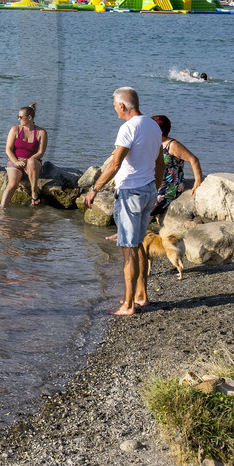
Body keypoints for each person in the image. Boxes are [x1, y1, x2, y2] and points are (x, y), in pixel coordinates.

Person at [84, 87, 161, 317]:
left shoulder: (128, 128)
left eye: (114, 105)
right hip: (148, 191)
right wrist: (154, 187)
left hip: (130, 193)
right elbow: (160, 163)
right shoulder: (153, 126)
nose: (114, 109)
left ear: (122, 106)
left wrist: (94, 189)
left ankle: (128, 305)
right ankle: (141, 295)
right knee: (137, 245)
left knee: (128, 250)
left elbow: (115, 164)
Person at [149, 115, 202, 219]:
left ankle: (134, 232)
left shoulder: (173, 145)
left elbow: (194, 160)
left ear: (159, 132)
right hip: (156, 181)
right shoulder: (154, 143)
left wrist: (197, 181)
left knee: (152, 205)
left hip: (171, 184)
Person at [0, 103, 48, 208]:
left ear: (29, 117)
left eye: (21, 117)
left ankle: (34, 192)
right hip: (15, 159)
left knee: (31, 162)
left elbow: (41, 153)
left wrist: (29, 161)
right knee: (12, 184)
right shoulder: (15, 130)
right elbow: (8, 150)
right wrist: (16, 161)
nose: (18, 119)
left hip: (33, 162)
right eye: (18, 117)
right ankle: (2, 208)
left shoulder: (41, 132)